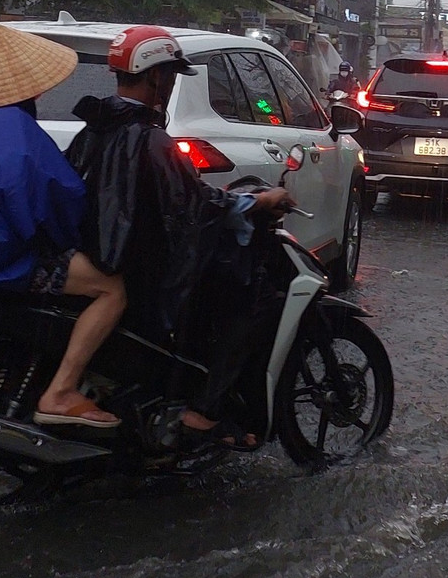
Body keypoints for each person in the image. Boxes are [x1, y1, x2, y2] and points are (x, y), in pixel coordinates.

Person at [64, 25, 294, 449]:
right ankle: (202, 411)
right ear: (155, 77)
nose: (169, 86)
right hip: (143, 270)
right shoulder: (150, 139)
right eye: (168, 77)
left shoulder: (94, 127)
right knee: (249, 301)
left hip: (99, 254)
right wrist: (257, 203)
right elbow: (196, 206)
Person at [0, 25, 127, 428]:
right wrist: (76, 238)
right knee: (111, 286)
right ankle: (62, 391)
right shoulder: (13, 127)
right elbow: (51, 199)